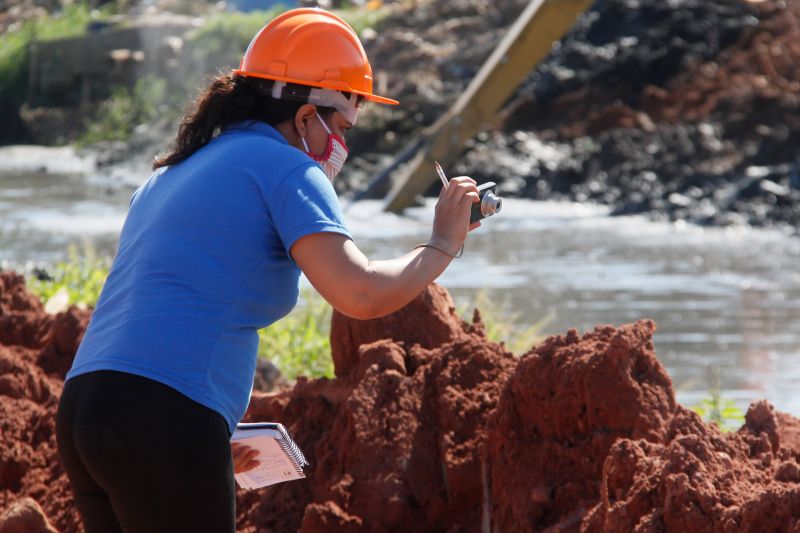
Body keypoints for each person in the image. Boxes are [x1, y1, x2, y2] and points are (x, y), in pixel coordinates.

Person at [55, 7, 480, 532]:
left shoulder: (176, 170)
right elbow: (361, 295)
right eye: (341, 127)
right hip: (161, 414)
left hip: (86, 411)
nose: (342, 146)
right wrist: (442, 243)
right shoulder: (287, 167)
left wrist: (203, 440)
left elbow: (164, 314)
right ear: (306, 116)